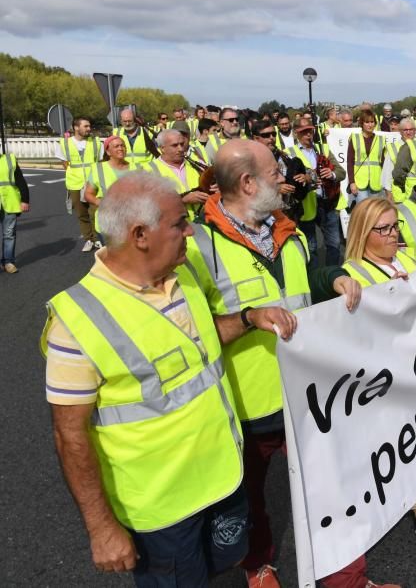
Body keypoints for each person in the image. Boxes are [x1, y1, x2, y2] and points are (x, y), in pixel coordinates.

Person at [183, 140, 395, 588]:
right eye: (274, 172)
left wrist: (332, 277)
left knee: (334, 491)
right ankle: (258, 566)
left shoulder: (289, 232)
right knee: (249, 499)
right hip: (247, 406)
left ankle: (347, 581)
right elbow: (190, 334)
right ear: (247, 183)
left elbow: (304, 283)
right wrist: (247, 319)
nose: (284, 178)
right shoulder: (198, 247)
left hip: (307, 396)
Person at [42, 173, 250, 586]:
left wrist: (248, 319)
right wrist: (101, 529)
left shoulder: (181, 273)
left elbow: (198, 344)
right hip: (162, 511)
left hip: (223, 477)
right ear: (140, 234)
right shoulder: (77, 321)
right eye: (179, 223)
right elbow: (70, 435)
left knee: (222, 572)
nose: (191, 230)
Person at [341, 197, 416, 549]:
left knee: (414, 431)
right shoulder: (351, 275)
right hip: (384, 374)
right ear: (363, 232)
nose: (394, 234)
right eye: (384, 229)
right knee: (396, 436)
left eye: (396, 226)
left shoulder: (402, 259)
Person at [286, 118, 347, 265]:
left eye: (310, 131)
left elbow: (341, 172)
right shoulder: (289, 153)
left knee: (334, 244)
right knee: (311, 247)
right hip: (306, 206)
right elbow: (289, 181)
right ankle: (315, 278)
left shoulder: (323, 149)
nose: (308, 135)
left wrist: (331, 174)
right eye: (303, 132)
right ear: (296, 134)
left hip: (327, 204)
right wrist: (308, 180)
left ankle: (332, 275)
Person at [57, 117, 104, 251]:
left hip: (93, 182)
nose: (89, 129)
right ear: (76, 127)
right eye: (86, 126)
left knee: (96, 212)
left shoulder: (96, 143)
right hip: (75, 183)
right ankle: (88, 239)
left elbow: (100, 163)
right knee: (82, 214)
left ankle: (97, 239)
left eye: (89, 126)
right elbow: (65, 163)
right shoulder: (64, 144)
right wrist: (75, 175)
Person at [143, 129, 210, 219]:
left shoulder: (197, 164)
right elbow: (148, 206)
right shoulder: (148, 170)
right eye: (175, 145)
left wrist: (213, 188)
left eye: (182, 144)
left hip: (203, 224)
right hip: (173, 227)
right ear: (162, 148)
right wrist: (182, 200)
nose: (181, 149)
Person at [252, 120, 309, 223]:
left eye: (273, 134)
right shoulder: (249, 161)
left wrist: (306, 177)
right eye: (266, 135)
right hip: (265, 217)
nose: (271, 138)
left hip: (291, 215)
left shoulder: (284, 155)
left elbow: (311, 172)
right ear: (256, 138)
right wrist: (275, 189)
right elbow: (246, 189)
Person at [83, 136, 131, 241]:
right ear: (108, 152)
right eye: (116, 146)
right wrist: (98, 202)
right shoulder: (98, 169)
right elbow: (88, 193)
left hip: (132, 222)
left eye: (122, 145)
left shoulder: (136, 166)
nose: (120, 148)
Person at [0, 147, 30, 273]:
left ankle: (8, 262)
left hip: (10, 202)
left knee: (9, 234)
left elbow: (20, 180)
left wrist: (25, 200)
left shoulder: (9, 159)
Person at [347, 109, 385, 204]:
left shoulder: (381, 139)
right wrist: (352, 182)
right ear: (362, 123)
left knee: (374, 211)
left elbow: (384, 163)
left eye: (372, 122)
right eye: (367, 122)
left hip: (376, 181)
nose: (370, 125)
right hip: (359, 182)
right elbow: (350, 162)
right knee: (363, 211)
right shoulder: (355, 138)